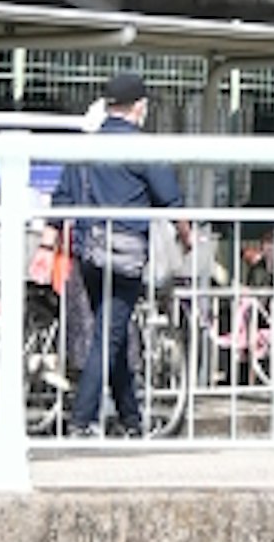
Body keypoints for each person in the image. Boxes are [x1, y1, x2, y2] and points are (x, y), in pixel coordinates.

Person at [45, 90, 180, 437]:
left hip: (89, 251)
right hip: (127, 254)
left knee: (112, 333)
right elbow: (170, 198)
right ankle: (81, 420)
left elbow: (61, 199)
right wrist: (187, 234)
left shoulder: (85, 146)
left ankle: (131, 420)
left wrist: (47, 245)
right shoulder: (143, 147)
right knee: (108, 335)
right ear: (139, 107)